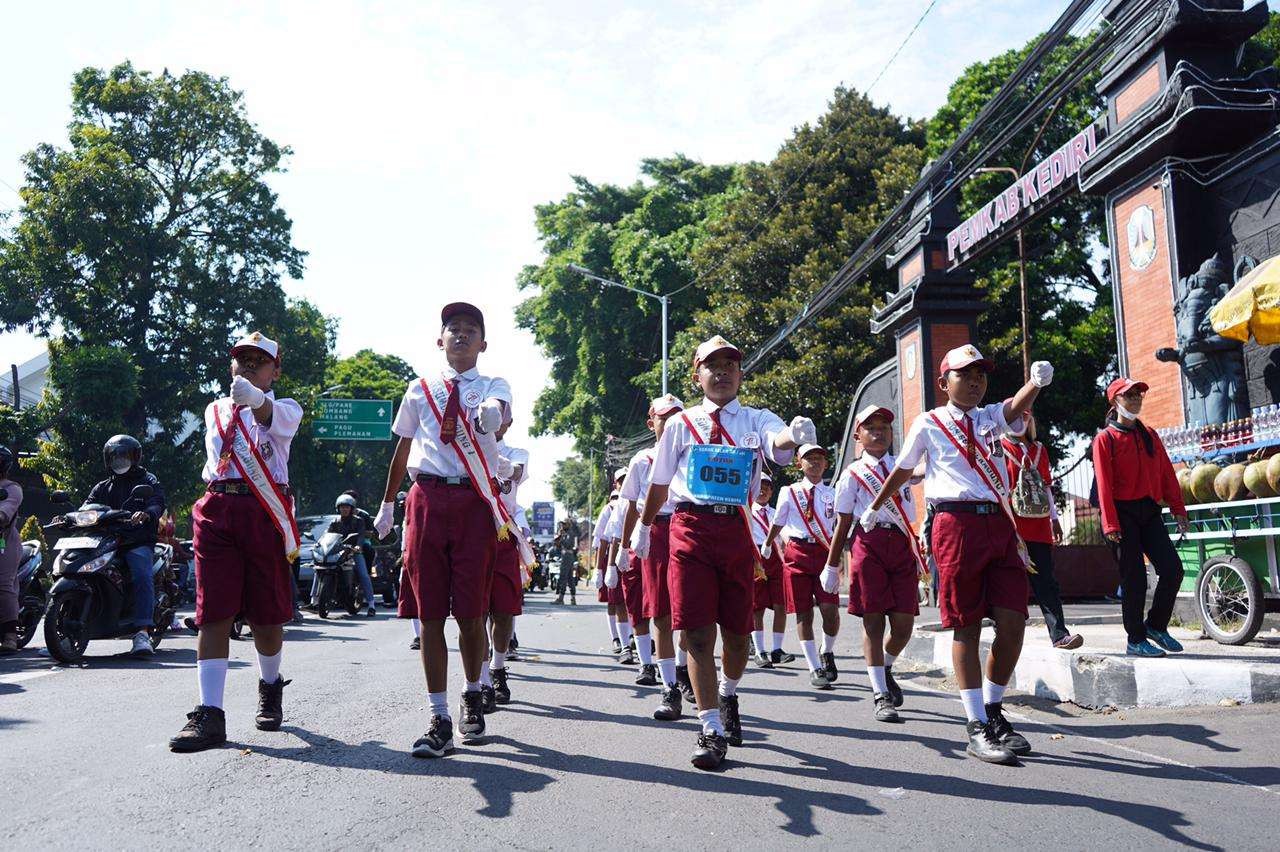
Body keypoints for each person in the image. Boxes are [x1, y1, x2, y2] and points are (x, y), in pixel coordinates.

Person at [862, 345, 1053, 765]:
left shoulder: (988, 419)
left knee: (1013, 620)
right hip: (955, 525)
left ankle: (994, 709)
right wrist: (876, 505)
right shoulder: (929, 423)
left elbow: (1012, 407)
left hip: (1000, 526)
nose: (974, 382)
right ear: (944, 381)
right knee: (965, 626)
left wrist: (1034, 385)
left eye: (980, 375)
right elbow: (902, 468)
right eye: (965, 375)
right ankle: (975, 725)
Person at [636, 335, 813, 770]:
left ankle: (729, 695)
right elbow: (659, 482)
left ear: (740, 373)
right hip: (689, 528)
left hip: (736, 528)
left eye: (730, 365)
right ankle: (710, 726)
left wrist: (793, 434)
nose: (721, 372)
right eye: (711, 365)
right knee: (696, 633)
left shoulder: (756, 419)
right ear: (697, 374)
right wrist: (643, 528)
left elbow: (778, 445)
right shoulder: (681, 424)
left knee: (737, 635)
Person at [373, 302, 516, 758]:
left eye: (469, 330)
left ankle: (473, 691)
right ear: (440, 339)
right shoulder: (420, 389)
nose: (460, 334)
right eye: (452, 328)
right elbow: (404, 446)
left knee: (472, 614)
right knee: (429, 614)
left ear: (482, 343)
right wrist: (386, 504)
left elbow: (501, 409)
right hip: (427, 499)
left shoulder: (492, 384)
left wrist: (493, 415)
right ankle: (438, 717)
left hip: (474, 503)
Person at [170, 332, 304, 753]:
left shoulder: (285, 409)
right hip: (218, 508)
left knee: (266, 619)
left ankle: (270, 684)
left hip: (263, 512)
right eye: (241, 359)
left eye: (258, 361)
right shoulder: (215, 409)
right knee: (213, 614)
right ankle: (211, 714)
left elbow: (268, 418)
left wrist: (255, 399)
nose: (247, 366)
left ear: (274, 370)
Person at [825, 406, 924, 723]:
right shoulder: (852, 474)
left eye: (884, 427)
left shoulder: (903, 466)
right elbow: (842, 523)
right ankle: (880, 693)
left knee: (904, 625)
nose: (879, 432)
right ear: (858, 435)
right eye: (871, 427)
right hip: (868, 544)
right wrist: (831, 564)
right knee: (873, 619)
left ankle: (887, 665)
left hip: (901, 544)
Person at [1092, 378, 1188, 658]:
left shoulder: (1150, 435)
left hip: (1148, 510)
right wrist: (1110, 524)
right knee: (1134, 579)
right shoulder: (1105, 439)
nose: (1135, 400)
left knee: (1172, 569)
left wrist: (1178, 508)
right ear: (1115, 402)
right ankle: (1135, 638)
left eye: (1138, 395)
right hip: (1121, 516)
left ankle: (1156, 626)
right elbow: (1104, 485)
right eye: (1128, 395)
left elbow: (1167, 474)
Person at [617, 394, 689, 711]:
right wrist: (623, 547)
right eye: (664, 418)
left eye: (677, 417)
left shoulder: (693, 456)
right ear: (652, 423)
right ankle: (669, 685)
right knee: (660, 610)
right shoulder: (642, 460)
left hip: (689, 528)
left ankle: (686, 669)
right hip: (656, 530)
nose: (671, 423)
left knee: (692, 610)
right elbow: (631, 505)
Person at [1002, 413, 1082, 650]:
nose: (1019, 421)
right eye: (1014, 416)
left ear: (1030, 421)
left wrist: (1054, 519)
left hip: (1038, 524)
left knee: (1046, 582)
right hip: (1011, 526)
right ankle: (1006, 633)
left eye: (1024, 417)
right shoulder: (998, 447)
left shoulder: (1039, 450)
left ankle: (1059, 635)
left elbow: (1046, 485)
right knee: (1011, 583)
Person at [84, 435, 168, 655]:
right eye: (115, 456)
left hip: (135, 540)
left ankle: (142, 632)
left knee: (142, 575)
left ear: (135, 457)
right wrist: (69, 517)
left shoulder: (148, 480)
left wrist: (147, 514)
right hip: (105, 541)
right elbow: (86, 507)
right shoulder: (102, 487)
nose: (119, 460)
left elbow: (157, 502)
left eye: (124, 455)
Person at [765, 444, 840, 689]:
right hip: (797, 551)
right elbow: (779, 520)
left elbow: (839, 524)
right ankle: (813, 666)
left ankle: (826, 651)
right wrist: (768, 543)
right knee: (803, 612)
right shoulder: (790, 491)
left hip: (824, 552)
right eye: (809, 458)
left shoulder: (833, 492)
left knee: (830, 610)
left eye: (819, 458)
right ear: (799, 463)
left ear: (826, 464)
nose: (815, 462)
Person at [482, 415, 530, 709]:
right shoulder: (465, 451)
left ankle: (498, 669)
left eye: (500, 414)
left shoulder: (516, 453)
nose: (493, 419)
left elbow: (515, 472)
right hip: (472, 533)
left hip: (503, 534)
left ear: (509, 421)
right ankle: (481, 681)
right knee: (474, 610)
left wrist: (488, 453)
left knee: (503, 609)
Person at [748, 474, 794, 668]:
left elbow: (786, 534)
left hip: (775, 557)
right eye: (759, 486)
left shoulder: (777, 512)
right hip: (755, 558)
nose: (763, 490)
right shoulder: (747, 512)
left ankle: (777, 649)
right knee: (756, 607)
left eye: (767, 487)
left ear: (772, 491)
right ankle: (759, 651)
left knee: (780, 605)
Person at [316, 494, 376, 617]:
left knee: (364, 574)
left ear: (351, 508)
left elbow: (360, 536)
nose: (344, 509)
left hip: (353, 551)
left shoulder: (358, 521)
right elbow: (327, 535)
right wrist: (319, 544)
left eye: (347, 507)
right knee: (319, 568)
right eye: (342, 507)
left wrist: (358, 546)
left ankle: (371, 605)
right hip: (338, 551)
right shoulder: (335, 521)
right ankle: (314, 600)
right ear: (338, 508)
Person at [602, 468, 636, 665]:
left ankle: (644, 643)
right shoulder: (614, 506)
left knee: (647, 607)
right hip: (625, 555)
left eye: (627, 479)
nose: (624, 483)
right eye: (621, 481)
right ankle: (624, 645)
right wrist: (608, 567)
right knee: (621, 603)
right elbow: (610, 539)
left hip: (648, 553)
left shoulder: (648, 492)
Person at [592, 490, 623, 652]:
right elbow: (602, 540)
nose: (616, 500)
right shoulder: (608, 510)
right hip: (610, 560)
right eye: (614, 497)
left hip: (630, 556)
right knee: (613, 600)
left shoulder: (631, 504)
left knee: (629, 601)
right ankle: (616, 638)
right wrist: (598, 569)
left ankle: (631, 636)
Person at [0, 445, 22, 654]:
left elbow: (6, 510)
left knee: (3, 584)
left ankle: (10, 635)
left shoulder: (11, 488)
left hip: (3, 542)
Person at [553, 520, 580, 605]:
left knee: (563, 577)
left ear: (568, 525)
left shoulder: (570, 534)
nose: (562, 526)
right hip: (566, 556)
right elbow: (557, 545)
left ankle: (561, 598)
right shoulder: (566, 533)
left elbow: (568, 544)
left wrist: (561, 538)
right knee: (569, 578)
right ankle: (572, 598)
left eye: (564, 524)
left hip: (567, 556)